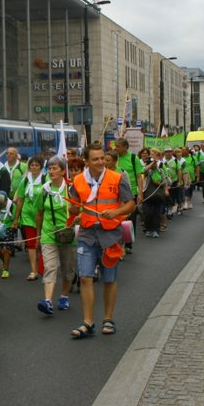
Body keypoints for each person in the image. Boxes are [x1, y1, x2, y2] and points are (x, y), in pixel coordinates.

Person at [68, 143, 135, 338]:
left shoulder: (118, 177)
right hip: (87, 234)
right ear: (86, 161)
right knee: (85, 277)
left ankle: (108, 319)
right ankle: (88, 322)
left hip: (110, 235)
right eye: (95, 159)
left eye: (102, 158)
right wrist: (74, 210)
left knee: (109, 279)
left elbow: (131, 204)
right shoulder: (78, 180)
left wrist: (115, 212)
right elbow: (74, 206)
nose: (100, 162)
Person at [35, 157, 76, 315]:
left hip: (68, 233)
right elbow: (39, 214)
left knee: (68, 269)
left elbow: (79, 211)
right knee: (50, 266)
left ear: (63, 171)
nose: (51, 171)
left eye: (54, 168)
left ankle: (64, 296)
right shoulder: (44, 190)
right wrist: (38, 236)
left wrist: (74, 211)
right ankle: (48, 301)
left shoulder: (71, 189)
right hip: (48, 233)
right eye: (49, 168)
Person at [13, 155, 45, 281]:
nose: (34, 167)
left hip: (42, 215)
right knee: (31, 243)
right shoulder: (25, 180)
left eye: (37, 165)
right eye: (32, 165)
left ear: (41, 167)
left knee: (41, 242)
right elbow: (20, 200)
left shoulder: (45, 179)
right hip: (27, 215)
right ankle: (33, 270)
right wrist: (16, 218)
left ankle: (43, 267)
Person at [114, 138, 143, 254]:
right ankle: (118, 243)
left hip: (131, 193)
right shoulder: (114, 158)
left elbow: (139, 177)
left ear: (125, 147)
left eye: (118, 146)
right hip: (116, 194)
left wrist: (140, 193)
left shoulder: (133, 158)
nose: (115, 148)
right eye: (115, 146)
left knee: (130, 219)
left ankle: (128, 244)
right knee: (118, 219)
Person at [142, 149, 169, 238]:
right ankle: (148, 228)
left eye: (153, 154)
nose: (151, 156)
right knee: (148, 212)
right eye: (151, 154)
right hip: (148, 192)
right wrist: (152, 163)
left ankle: (155, 230)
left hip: (158, 192)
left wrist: (166, 189)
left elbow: (166, 179)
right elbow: (143, 171)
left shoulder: (161, 166)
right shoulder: (148, 165)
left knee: (157, 212)